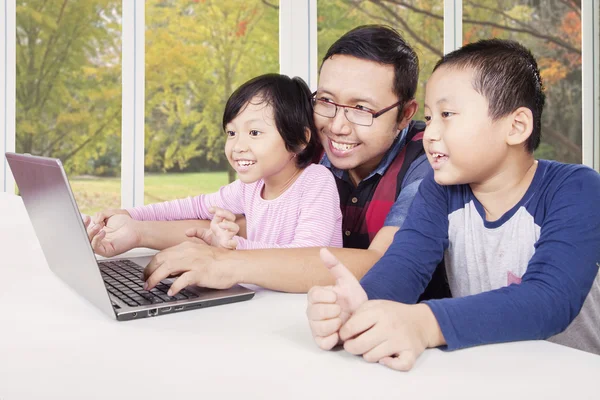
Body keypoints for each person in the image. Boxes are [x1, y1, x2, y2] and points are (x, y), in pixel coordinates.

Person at [87, 25, 448, 296]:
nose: (337, 126)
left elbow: (380, 264)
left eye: (361, 109)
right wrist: (134, 229)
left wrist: (224, 261)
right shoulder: (309, 145)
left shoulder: (426, 159)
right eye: (325, 101)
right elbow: (237, 223)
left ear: (405, 114)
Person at [306, 38, 600, 371]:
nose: (430, 134)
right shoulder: (440, 189)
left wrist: (426, 323)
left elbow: (550, 300)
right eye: (430, 118)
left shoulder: (575, 188)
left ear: (516, 126)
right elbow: (403, 269)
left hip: (578, 378)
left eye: (447, 115)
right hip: (486, 376)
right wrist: (360, 306)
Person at [90, 74, 342, 262]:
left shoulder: (316, 182)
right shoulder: (252, 187)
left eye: (254, 132)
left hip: (308, 305)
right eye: (231, 132)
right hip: (268, 298)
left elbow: (307, 257)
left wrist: (232, 246)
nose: (237, 145)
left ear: (299, 139)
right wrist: (130, 214)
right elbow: (194, 206)